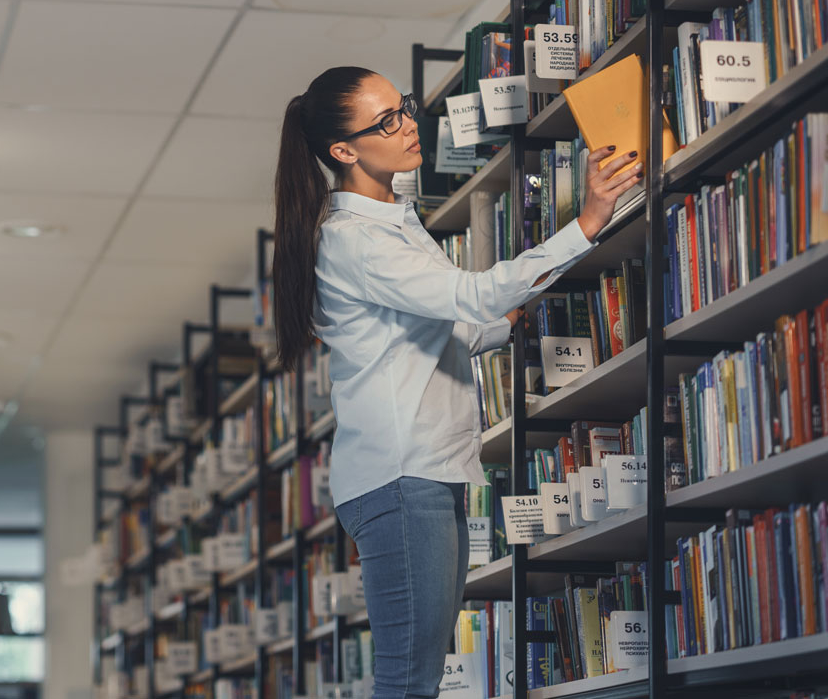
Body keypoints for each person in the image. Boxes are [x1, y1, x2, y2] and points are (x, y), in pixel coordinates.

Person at [271, 67, 641, 699]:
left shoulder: (395, 222)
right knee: (410, 681)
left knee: (417, 677)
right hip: (402, 477)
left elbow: (458, 330)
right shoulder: (356, 239)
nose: (409, 124)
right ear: (343, 150)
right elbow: (469, 297)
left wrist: (505, 315)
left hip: (418, 475)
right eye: (386, 120)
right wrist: (585, 224)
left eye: (404, 108)